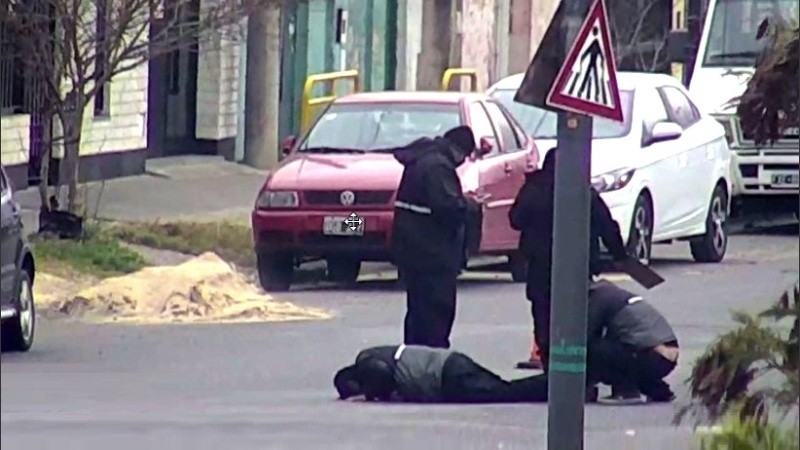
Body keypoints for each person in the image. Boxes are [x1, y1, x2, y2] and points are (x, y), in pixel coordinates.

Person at [508, 147, 628, 369]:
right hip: (577, 268)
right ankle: (578, 373)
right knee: (578, 321)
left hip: (540, 266)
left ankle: (549, 371)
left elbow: (515, 219)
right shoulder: (583, 191)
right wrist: (620, 255)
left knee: (543, 319)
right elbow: (606, 225)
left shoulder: (534, 188)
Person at [392, 126, 478, 349]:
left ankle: (413, 359)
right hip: (433, 254)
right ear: (458, 150)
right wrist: (470, 206)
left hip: (412, 249)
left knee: (418, 312)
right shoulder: (437, 167)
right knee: (435, 315)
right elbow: (448, 208)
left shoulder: (421, 160)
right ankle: (430, 363)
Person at [333, 344, 582, 404]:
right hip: (449, 361)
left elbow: (380, 376)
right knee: (505, 388)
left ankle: (567, 388)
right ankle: (568, 386)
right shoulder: (372, 353)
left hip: (444, 375)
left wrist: (373, 396)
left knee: (506, 393)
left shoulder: (367, 364)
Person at [586, 279, 679, 404]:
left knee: (594, 350)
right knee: (619, 346)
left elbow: (586, 337)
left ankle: (625, 390)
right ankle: (659, 391)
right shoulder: (613, 294)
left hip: (651, 356)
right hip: (666, 356)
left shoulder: (598, 299)